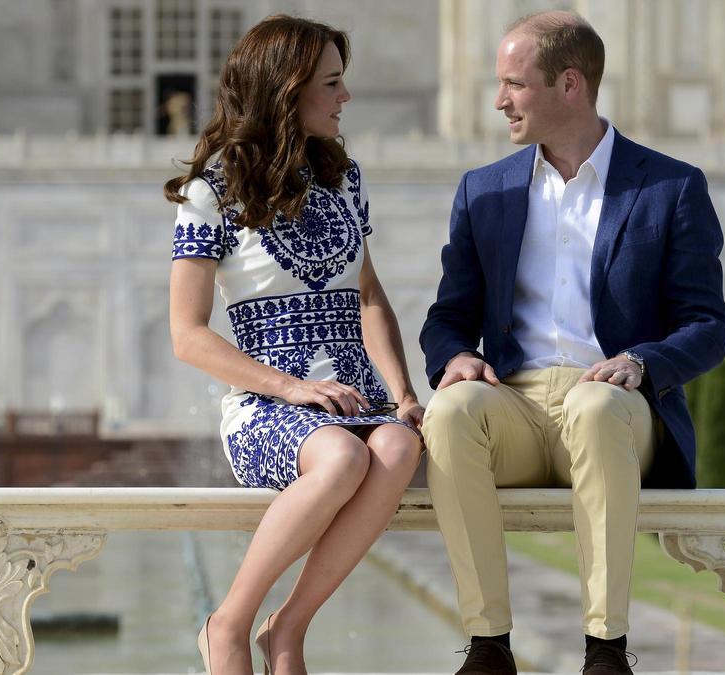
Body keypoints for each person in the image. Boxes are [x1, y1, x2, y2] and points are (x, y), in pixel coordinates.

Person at [419, 10, 725, 675]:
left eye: (513, 84)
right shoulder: (485, 191)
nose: (500, 101)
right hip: (519, 407)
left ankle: (605, 649)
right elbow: (445, 319)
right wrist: (457, 357)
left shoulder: (669, 188)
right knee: (449, 412)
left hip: (617, 408)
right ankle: (487, 644)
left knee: (593, 408)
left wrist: (643, 362)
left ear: (570, 84)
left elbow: (708, 325)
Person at [165, 15, 424, 675]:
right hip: (267, 406)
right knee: (339, 457)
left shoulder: (342, 181)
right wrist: (290, 388)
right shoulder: (212, 193)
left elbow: (370, 296)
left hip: (350, 396)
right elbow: (187, 334)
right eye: (332, 83)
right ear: (288, 89)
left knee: (396, 444)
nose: (345, 97)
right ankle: (229, 622)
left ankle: (288, 628)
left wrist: (402, 392)